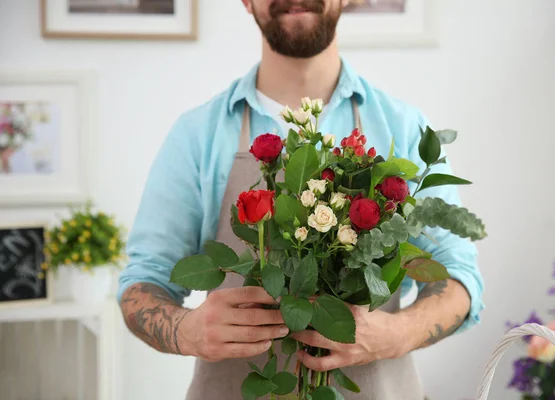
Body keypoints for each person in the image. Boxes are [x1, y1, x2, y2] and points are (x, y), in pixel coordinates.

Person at [117, 1, 485, 399]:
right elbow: (142, 283)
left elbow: (456, 274)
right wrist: (184, 331)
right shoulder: (198, 134)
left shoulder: (402, 127)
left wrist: (396, 334)